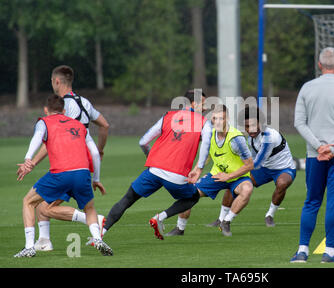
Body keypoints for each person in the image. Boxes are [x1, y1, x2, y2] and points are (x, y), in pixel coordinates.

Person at [17, 65, 110, 251]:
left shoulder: (65, 107)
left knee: (42, 205)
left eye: (52, 81)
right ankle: (44, 241)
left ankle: (44, 241)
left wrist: (32, 162)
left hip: (68, 160)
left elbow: (56, 136)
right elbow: (104, 125)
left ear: (56, 81)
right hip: (85, 164)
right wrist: (100, 151)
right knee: (44, 205)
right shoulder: (84, 101)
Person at [101, 90, 211, 241]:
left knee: (127, 199)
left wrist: (152, 158)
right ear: (194, 104)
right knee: (192, 198)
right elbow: (206, 143)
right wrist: (199, 168)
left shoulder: (167, 116)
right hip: (177, 174)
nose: (205, 108)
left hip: (154, 170)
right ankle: (160, 217)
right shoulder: (204, 122)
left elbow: (143, 141)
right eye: (203, 104)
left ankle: (100, 235)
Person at [290, 47, 334, 263]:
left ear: (319, 65)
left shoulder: (307, 88)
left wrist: (319, 146)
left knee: (311, 201)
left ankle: (302, 251)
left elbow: (299, 123)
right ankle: (330, 252)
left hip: (315, 154)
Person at [164, 104, 254, 237]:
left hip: (238, 178)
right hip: (216, 175)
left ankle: (226, 221)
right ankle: (180, 228)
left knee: (247, 189)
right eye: (214, 119)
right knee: (189, 193)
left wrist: (228, 177)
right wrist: (196, 170)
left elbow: (249, 165)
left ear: (227, 119)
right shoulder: (210, 135)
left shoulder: (236, 139)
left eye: (221, 119)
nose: (217, 122)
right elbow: (207, 156)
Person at [204, 106, 296, 229]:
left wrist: (230, 174)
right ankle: (221, 219)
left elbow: (256, 163)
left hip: (283, 168)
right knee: (235, 183)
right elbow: (249, 160)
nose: (250, 129)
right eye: (247, 126)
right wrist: (232, 173)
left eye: (253, 125)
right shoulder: (250, 139)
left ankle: (269, 215)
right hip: (263, 169)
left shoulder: (269, 137)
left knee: (282, 183)